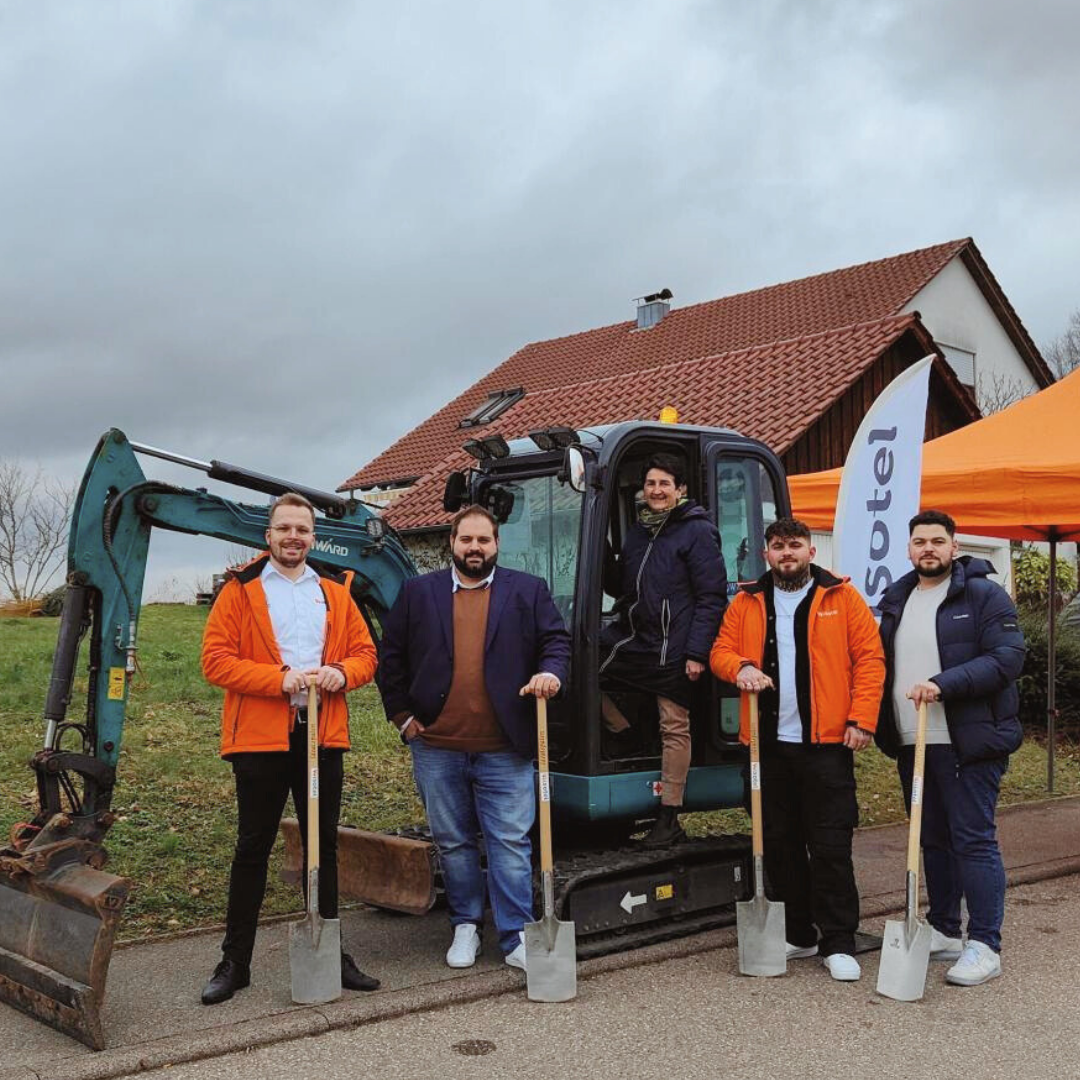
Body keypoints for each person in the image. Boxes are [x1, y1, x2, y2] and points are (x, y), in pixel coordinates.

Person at [199, 492, 380, 1005]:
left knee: (322, 845)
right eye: (284, 529)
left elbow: (366, 654)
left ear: (312, 536)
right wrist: (278, 680)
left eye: (302, 529)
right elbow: (216, 662)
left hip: (321, 733)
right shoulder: (239, 590)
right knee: (252, 846)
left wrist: (341, 673)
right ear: (268, 535)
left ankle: (331, 949)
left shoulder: (335, 592)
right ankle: (235, 962)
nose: (293, 537)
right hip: (260, 736)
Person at [376, 504, 571, 971]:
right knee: (454, 841)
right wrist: (402, 716)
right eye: (467, 540)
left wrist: (550, 673)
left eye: (484, 540)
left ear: (497, 544)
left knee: (509, 842)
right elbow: (391, 658)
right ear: (452, 542)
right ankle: (465, 924)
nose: (475, 548)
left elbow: (556, 642)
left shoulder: (527, 591)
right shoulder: (418, 593)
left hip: (505, 747)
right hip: (437, 747)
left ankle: (516, 935)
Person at [710, 517, 884, 981]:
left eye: (795, 545)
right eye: (778, 546)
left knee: (830, 845)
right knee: (779, 843)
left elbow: (870, 659)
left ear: (811, 551)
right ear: (766, 554)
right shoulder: (747, 601)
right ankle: (800, 934)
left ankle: (839, 941)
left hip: (826, 746)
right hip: (766, 747)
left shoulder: (842, 598)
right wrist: (741, 666)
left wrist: (861, 719)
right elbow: (720, 650)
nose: (787, 553)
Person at [876, 509, 1025, 987]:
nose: (928, 549)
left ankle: (985, 944)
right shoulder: (897, 599)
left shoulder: (983, 594)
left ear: (954, 546)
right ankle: (944, 930)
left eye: (938, 541)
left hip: (967, 741)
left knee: (973, 840)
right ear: (908, 548)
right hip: (914, 742)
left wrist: (944, 684)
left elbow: (1007, 658)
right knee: (932, 840)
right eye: (920, 541)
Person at [599, 453, 727, 848]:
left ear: (680, 490)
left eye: (664, 484)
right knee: (581, 663)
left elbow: (711, 597)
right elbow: (622, 587)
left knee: (674, 725)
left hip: (676, 646)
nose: (656, 491)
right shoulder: (639, 533)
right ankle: (624, 731)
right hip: (639, 639)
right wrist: (597, 549)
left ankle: (669, 815)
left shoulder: (696, 532)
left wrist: (696, 653)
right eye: (651, 484)